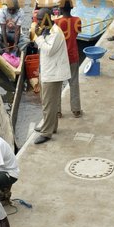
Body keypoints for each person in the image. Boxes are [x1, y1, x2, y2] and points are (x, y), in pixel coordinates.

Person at [32, 9, 70, 144]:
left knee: (48, 104)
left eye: (41, 19)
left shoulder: (55, 33)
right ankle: (51, 126)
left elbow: (49, 51)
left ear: (48, 18)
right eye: (37, 19)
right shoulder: (46, 31)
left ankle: (46, 133)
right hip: (47, 71)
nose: (38, 22)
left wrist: (38, 37)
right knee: (47, 102)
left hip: (53, 74)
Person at [54, 0, 82, 118]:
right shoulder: (77, 20)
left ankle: (57, 111)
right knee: (74, 83)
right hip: (73, 56)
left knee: (57, 85)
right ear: (71, 8)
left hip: (60, 57)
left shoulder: (56, 22)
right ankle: (76, 110)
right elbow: (77, 32)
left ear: (60, 9)